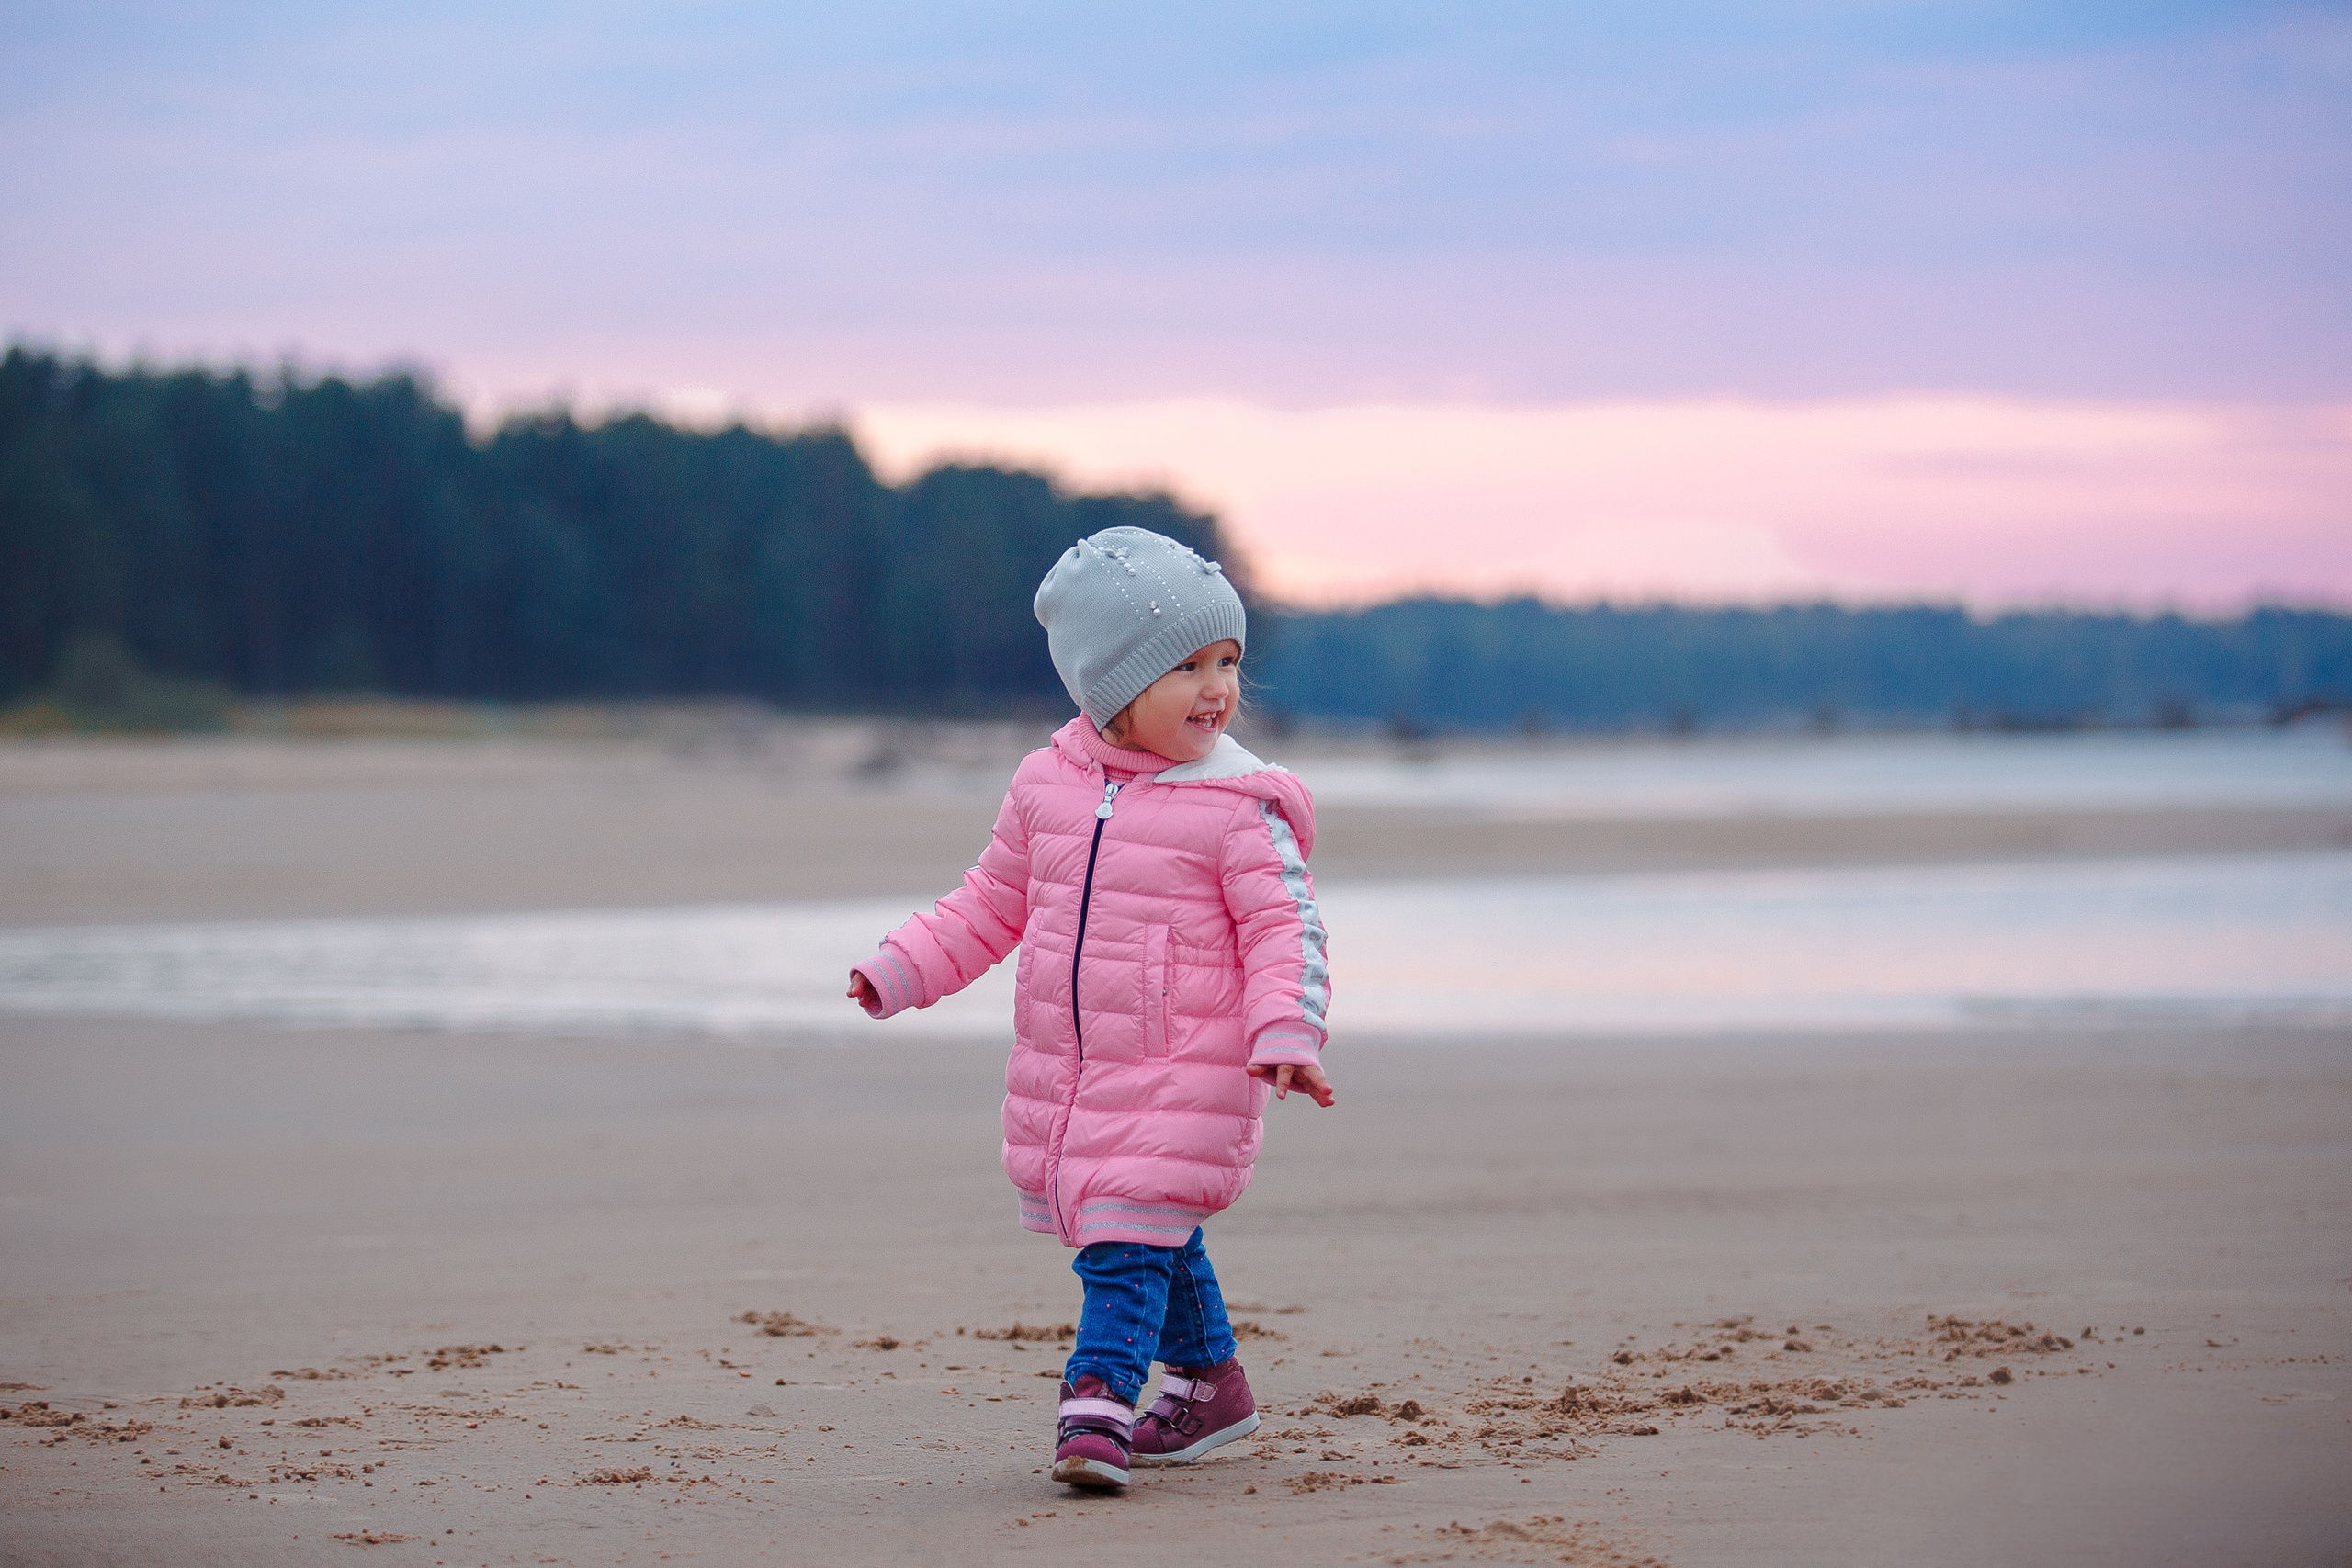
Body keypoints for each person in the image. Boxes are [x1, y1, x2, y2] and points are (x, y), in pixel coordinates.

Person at [846, 525, 1335, 1491]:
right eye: (1185, 666)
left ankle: (1096, 1409)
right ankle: (1209, 1383)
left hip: (1186, 1066)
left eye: (1228, 661)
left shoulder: (1238, 805)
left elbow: (1287, 929)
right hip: (1074, 1067)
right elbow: (990, 900)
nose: (1217, 688)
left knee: (1125, 1238)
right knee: (1152, 1224)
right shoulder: (1046, 787)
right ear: (1108, 686)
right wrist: (902, 965)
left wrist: (1287, 1030)